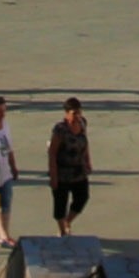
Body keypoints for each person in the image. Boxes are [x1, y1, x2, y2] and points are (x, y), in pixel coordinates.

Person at [45, 97, 93, 235]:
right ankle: (63, 231)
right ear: (66, 113)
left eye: (79, 112)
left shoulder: (82, 123)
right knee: (60, 204)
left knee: (82, 197)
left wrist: (88, 160)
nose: (77, 116)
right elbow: (52, 153)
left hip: (78, 170)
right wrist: (53, 176)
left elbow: (85, 142)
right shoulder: (60, 129)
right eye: (73, 113)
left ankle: (68, 221)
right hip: (62, 173)